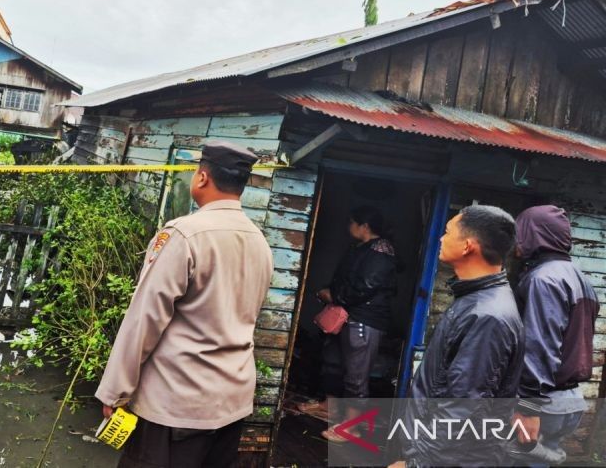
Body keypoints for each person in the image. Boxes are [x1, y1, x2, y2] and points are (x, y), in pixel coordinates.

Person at [95, 141, 274, 468]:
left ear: (202, 178)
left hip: (176, 405)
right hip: (232, 402)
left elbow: (144, 319)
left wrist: (115, 393)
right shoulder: (259, 240)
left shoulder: (185, 234)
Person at [390, 205, 525, 468]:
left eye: (448, 231)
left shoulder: (488, 316)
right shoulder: (476, 300)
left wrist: (419, 463)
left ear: (467, 246)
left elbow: (464, 406)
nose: (441, 238)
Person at [509, 206, 599, 467]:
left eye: (520, 232)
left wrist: (527, 407)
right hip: (569, 402)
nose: (516, 240)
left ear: (533, 234)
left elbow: (540, 346)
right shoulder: (581, 279)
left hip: (541, 404)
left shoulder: (543, 279)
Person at [298, 206, 397, 442]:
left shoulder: (381, 250)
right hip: (346, 315)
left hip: (365, 318)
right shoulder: (360, 248)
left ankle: (353, 427)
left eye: (352, 222)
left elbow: (365, 286)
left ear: (364, 226)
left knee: (356, 375)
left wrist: (335, 296)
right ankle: (329, 407)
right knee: (332, 361)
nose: (349, 226)